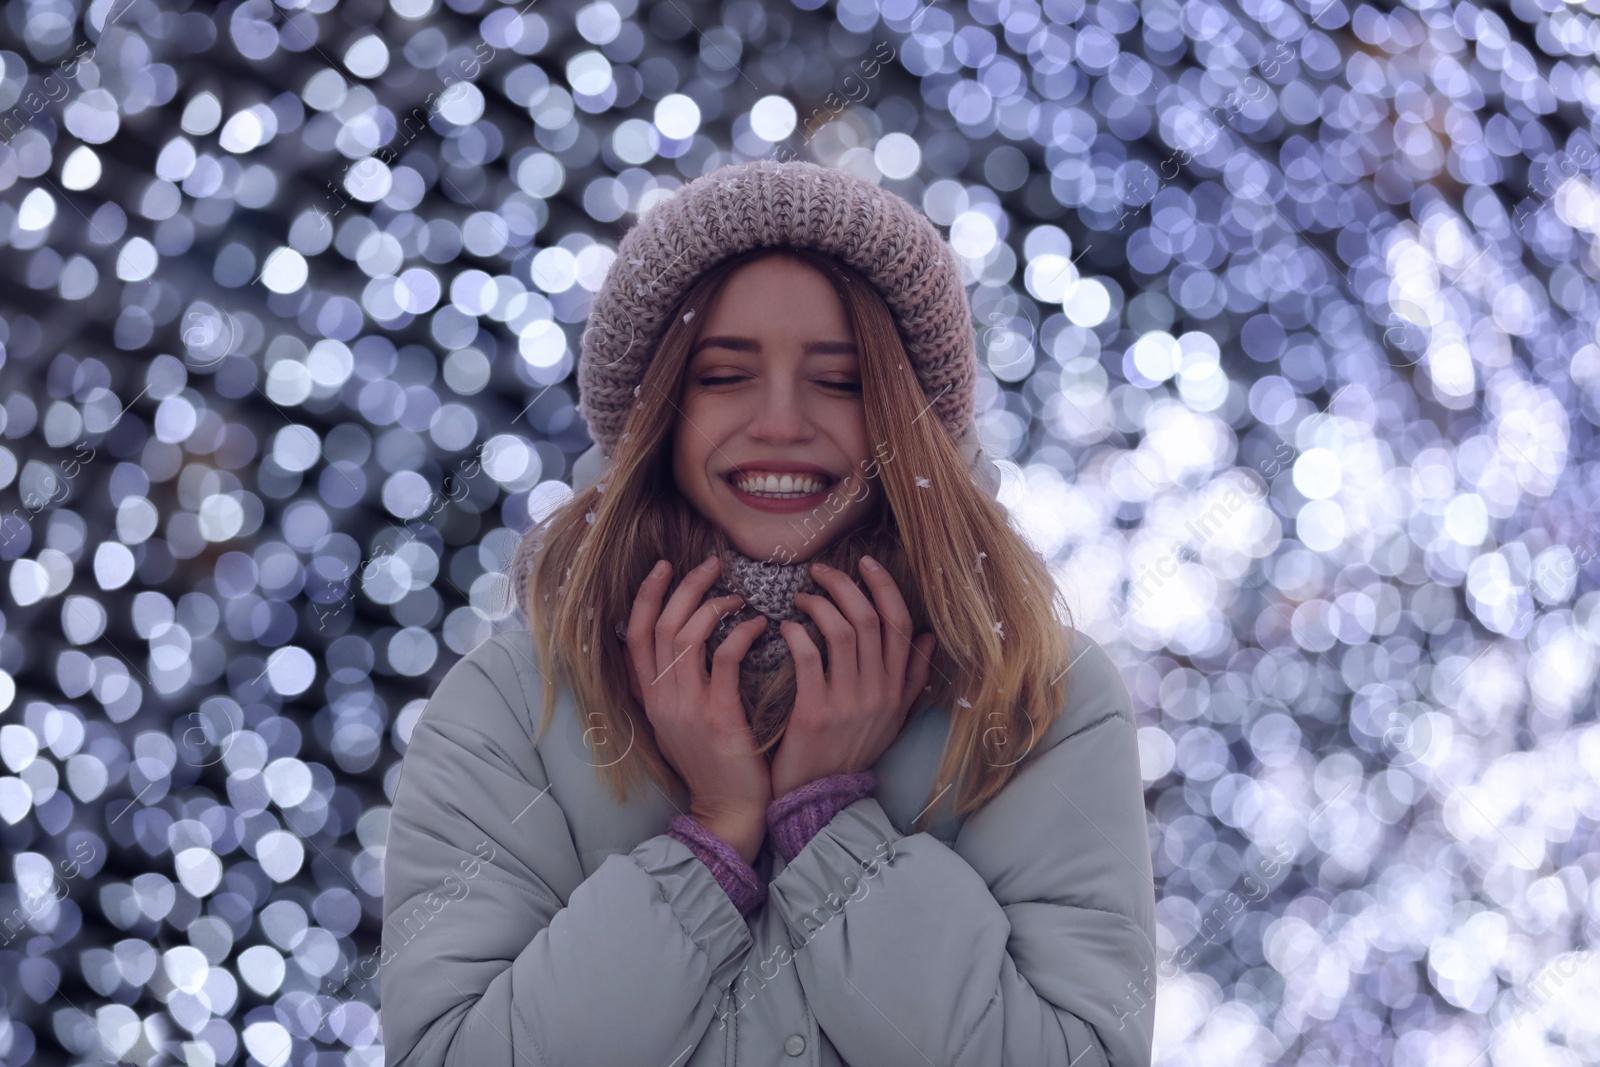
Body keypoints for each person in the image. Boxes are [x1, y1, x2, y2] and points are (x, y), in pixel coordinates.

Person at [381, 158, 1156, 1066]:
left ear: (905, 416)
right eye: (722, 376)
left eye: (839, 380)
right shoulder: (514, 710)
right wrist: (712, 839)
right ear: (657, 412)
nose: (782, 424)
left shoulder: (1035, 699)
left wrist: (829, 830)